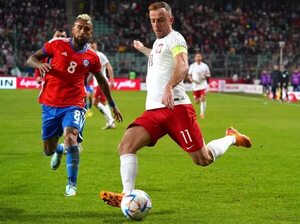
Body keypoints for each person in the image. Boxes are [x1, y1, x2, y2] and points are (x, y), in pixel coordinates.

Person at [99, 2, 252, 208]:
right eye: (153, 20)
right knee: (126, 145)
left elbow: (182, 64)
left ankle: (231, 138)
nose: (156, 24)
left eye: (160, 20)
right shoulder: (156, 44)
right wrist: (142, 48)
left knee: (203, 159)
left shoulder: (176, 38)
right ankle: (126, 196)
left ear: (170, 19)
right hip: (154, 110)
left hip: (176, 109)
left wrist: (170, 86)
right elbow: (157, 57)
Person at [27, 14, 123, 196]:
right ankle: (59, 149)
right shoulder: (56, 44)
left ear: (91, 33)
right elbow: (32, 58)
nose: (82, 31)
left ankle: (71, 185)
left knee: (71, 136)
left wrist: (112, 105)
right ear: (73, 29)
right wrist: (39, 64)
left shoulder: (92, 57)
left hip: (74, 103)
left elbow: (102, 81)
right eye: (79, 27)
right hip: (50, 103)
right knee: (48, 150)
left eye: (86, 29)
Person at [88, 39, 116, 129]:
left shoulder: (100, 55)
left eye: (93, 43)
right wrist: (87, 81)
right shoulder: (90, 56)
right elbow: (93, 73)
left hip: (101, 83)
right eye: (90, 44)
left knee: (95, 102)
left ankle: (111, 119)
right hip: (97, 83)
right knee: (103, 103)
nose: (92, 45)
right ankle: (110, 123)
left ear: (96, 45)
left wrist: (111, 81)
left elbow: (109, 67)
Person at [188, 52, 211, 119]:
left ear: (201, 58)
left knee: (203, 98)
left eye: (200, 56)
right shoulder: (192, 66)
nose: (198, 57)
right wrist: (191, 79)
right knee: (197, 101)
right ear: (195, 58)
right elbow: (189, 74)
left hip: (203, 84)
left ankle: (202, 114)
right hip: (195, 85)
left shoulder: (205, 66)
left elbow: (209, 75)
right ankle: (198, 101)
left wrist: (206, 75)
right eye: (197, 56)